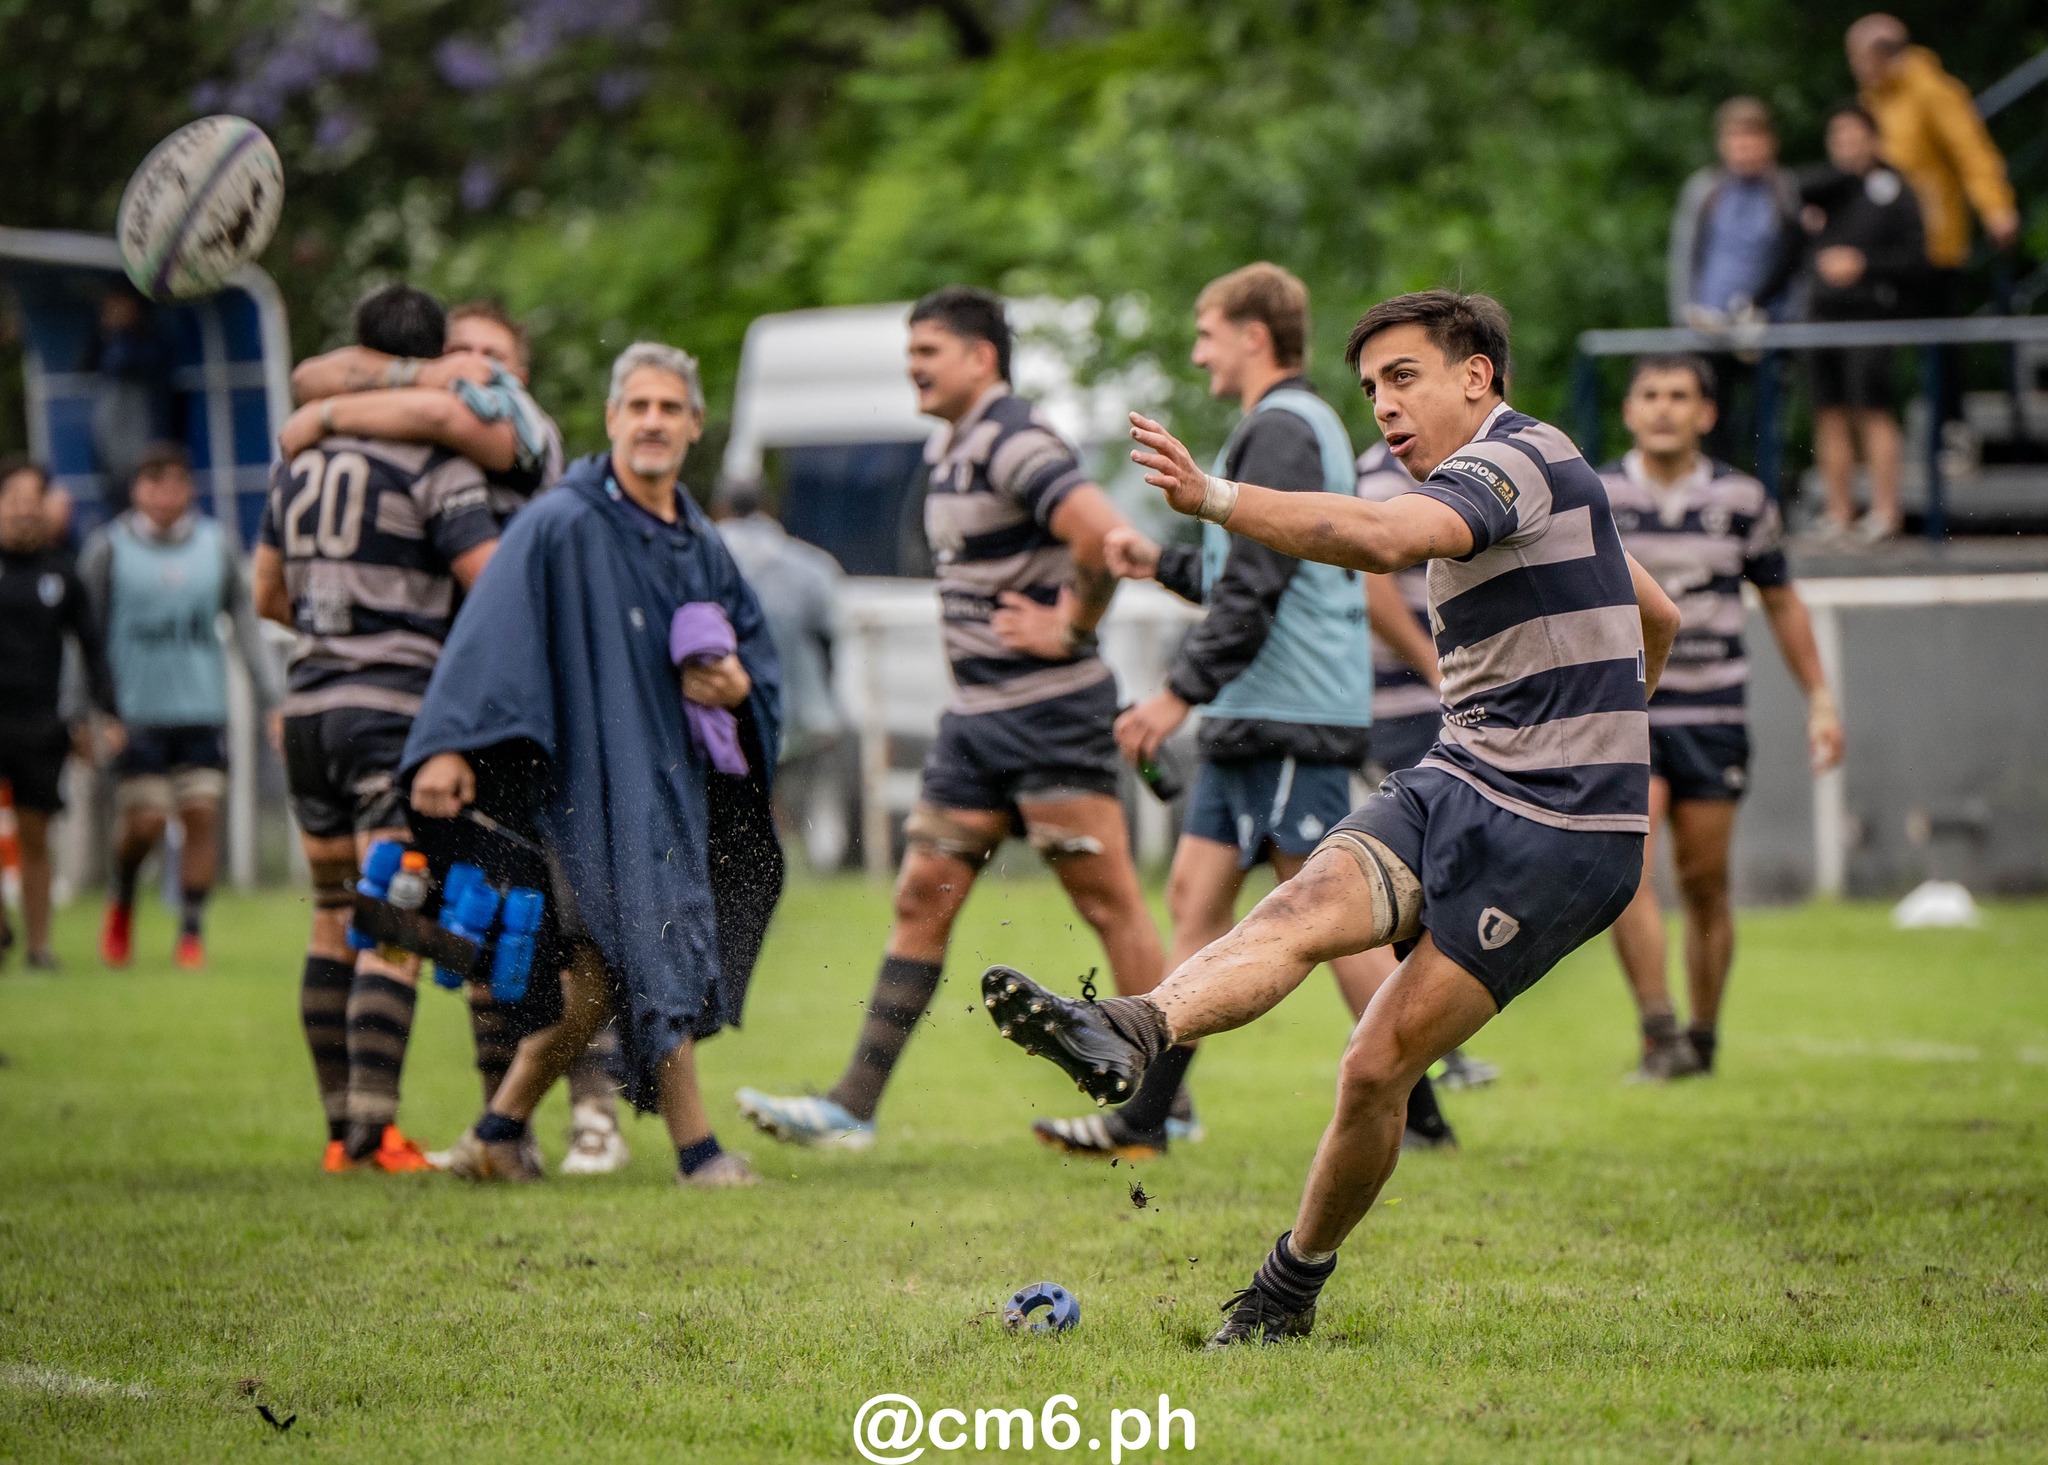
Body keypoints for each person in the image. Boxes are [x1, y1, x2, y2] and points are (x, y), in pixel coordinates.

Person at [982, 290, 1681, 1348]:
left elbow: (1384, 540)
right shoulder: (1533, 487)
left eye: (1402, 378)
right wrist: (1618, 708)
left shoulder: (1521, 457)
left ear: (1475, 376)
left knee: (1372, 1065)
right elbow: (1656, 614)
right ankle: (1131, 1029)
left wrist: (1212, 496)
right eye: (1369, 389)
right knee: (1297, 905)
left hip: (1561, 833)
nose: (1382, 407)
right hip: (1462, 775)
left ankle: (1285, 1287)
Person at [1031, 262, 1455, 1160]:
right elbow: (1242, 571)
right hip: (1252, 715)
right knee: (1193, 902)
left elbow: (1260, 587)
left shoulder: (1284, 428)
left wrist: (1175, 695)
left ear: (1254, 335)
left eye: (1207, 331)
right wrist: (1162, 562)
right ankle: (1148, 1118)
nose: (1196, 351)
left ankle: (1418, 1115)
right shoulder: (1267, 432)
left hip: (1294, 714)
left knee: (1333, 923)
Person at [734, 285, 1165, 1151]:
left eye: (929, 351)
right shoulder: (953, 448)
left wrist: (1071, 626)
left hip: (1048, 716)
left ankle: (1161, 1109)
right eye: (909, 352)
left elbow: (1105, 537)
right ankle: (852, 1107)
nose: (913, 368)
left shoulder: (1017, 439)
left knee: (1110, 903)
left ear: (982, 356)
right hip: (973, 725)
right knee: (917, 899)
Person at [405, 341, 783, 1189]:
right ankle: (698, 1153)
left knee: (603, 980)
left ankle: (496, 1133)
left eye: (668, 408)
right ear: (612, 419)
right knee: (641, 950)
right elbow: (487, 636)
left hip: (666, 788)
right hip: (573, 789)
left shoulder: (700, 540)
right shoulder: (562, 522)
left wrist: (735, 684)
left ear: (695, 426)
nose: (652, 421)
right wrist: (449, 744)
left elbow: (755, 656)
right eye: (637, 406)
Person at [282, 300, 623, 1175]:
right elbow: (321, 380)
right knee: (456, 912)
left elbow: (422, 416)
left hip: (530, 699)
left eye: (490, 357)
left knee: (555, 913)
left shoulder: (509, 427)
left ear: (520, 374)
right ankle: (448, 1131)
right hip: (440, 705)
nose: (470, 368)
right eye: (456, 353)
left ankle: (589, 1111)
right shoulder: (430, 462)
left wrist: (318, 418)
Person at [253, 283, 500, 1175]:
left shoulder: (302, 464)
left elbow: (265, 596)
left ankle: (336, 1135)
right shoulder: (434, 463)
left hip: (310, 706)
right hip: (391, 712)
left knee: (329, 918)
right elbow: (492, 581)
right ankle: (375, 1131)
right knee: (393, 918)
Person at [1599, 355, 1845, 1079]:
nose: (1665, 408)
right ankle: (1658, 1028)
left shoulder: (1743, 500)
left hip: (1714, 713)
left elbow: (1780, 602)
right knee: (1626, 872)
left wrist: (1821, 698)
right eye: (1650, 395)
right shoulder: (1597, 496)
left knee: (1705, 880)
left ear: (1706, 414)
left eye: (1680, 396)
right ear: (1629, 411)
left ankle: (1703, 1036)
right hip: (1628, 714)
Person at [79, 443, 281, 970]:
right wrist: (86, 711)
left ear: (190, 489)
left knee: (200, 815)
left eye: (175, 485)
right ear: (136, 491)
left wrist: (272, 699)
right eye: (154, 485)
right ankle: (122, 900)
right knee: (144, 823)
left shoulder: (215, 546)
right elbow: (84, 637)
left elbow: (247, 629)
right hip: (135, 714)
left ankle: (191, 933)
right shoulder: (108, 549)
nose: (165, 496)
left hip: (202, 710)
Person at [1354, 442, 1497, 1095]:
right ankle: (1429, 1048)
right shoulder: (1382, 471)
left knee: (1446, 875)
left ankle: (1434, 1047)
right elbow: (1374, 586)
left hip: (1447, 701)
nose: (1388, 403)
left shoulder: (1480, 465)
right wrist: (1435, 666)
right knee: (1428, 878)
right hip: (1411, 702)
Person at [1848, 12, 2019, 463]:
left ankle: (1954, 433)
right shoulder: (1873, 100)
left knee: (1940, 341)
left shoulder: (1933, 90)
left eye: (1859, 56)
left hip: (1933, 243)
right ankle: (1888, 442)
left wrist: (1997, 208)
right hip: (1885, 244)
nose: (1855, 65)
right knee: (1878, 341)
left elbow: (1971, 150)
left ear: (1883, 54)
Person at [0, 457, 122, 970]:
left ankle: (37, 946)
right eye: (15, 501)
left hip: (40, 724)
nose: (25, 512)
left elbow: (93, 649)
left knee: (35, 837)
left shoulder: (61, 572)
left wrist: (107, 715)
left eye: (34, 501)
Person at [1800, 102, 1925, 541]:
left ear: (1873, 138)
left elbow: (1916, 259)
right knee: (1828, 414)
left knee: (1873, 411)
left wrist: (1863, 264)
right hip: (1820, 316)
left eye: (1856, 137)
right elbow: (1791, 209)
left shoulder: (1894, 189)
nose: (1848, 146)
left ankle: (1885, 512)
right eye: (1840, 138)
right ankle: (1839, 512)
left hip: (1872, 316)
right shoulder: (1823, 189)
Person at [713, 478, 849, 873]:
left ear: (721, 508)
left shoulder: (700, 556)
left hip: (726, 712)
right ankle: (803, 862)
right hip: (802, 711)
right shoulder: (810, 565)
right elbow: (830, 639)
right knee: (793, 798)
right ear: (769, 509)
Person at [1665, 96, 1804, 478]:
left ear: (1769, 142)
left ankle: (1769, 508)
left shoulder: (1785, 188)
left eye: (1752, 138)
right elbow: (1685, 255)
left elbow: (1795, 258)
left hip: (1770, 329)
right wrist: (1684, 317)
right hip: (1709, 328)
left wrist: (1793, 321)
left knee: (1766, 428)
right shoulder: (1706, 189)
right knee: (1712, 425)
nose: (1744, 148)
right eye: (1736, 138)